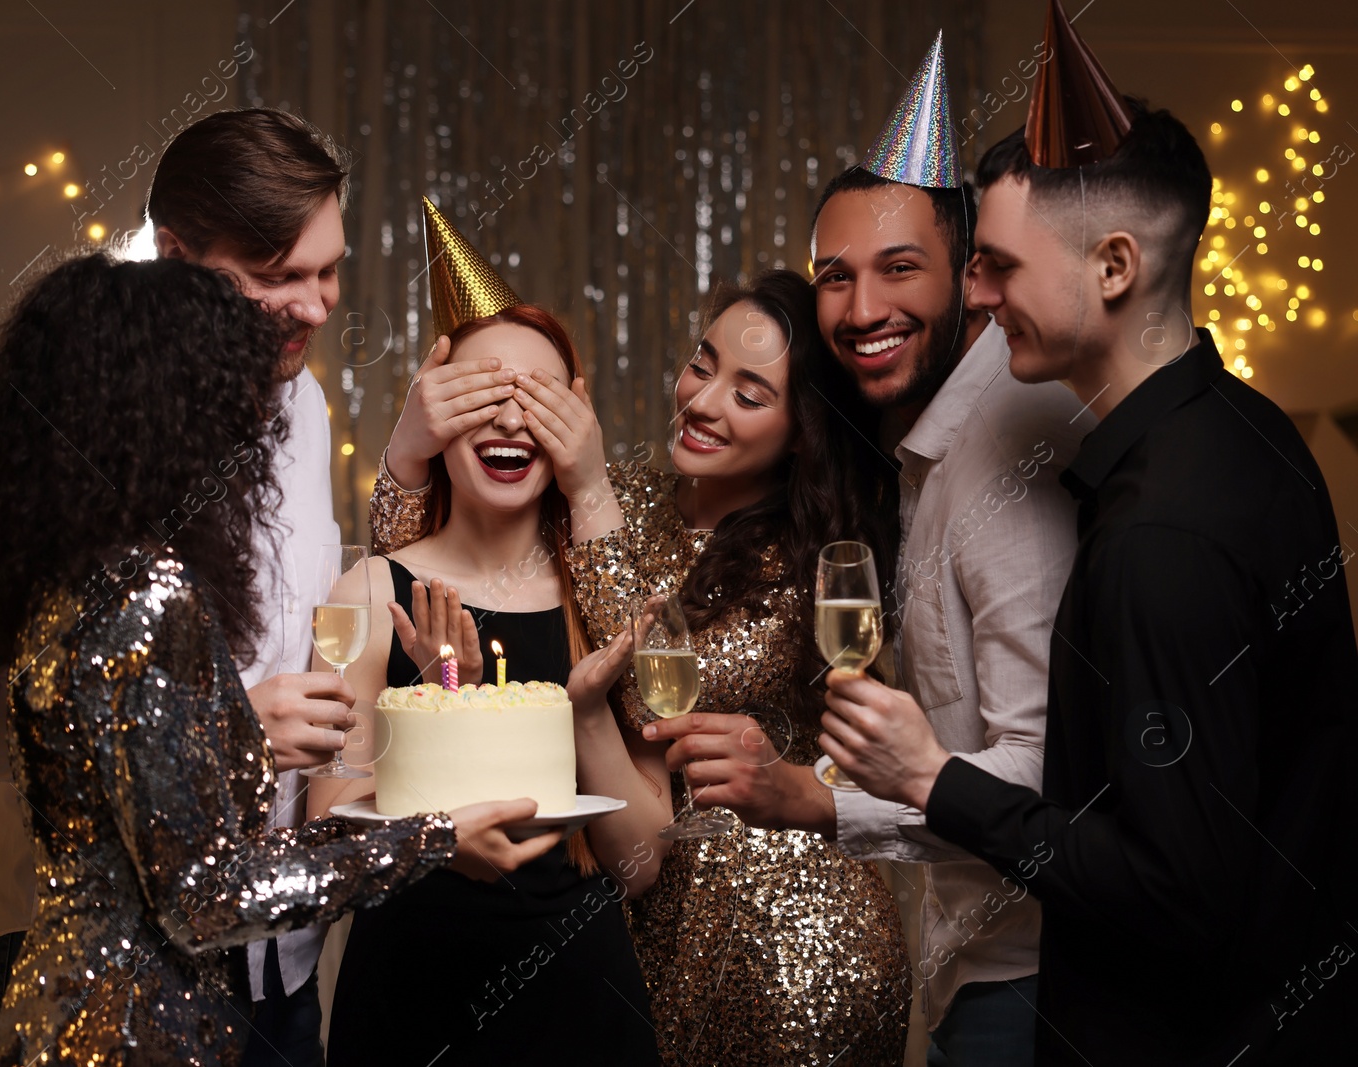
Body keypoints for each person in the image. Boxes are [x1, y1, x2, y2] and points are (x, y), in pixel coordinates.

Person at [818, 8, 1356, 1062]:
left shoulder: (1159, 536)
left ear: (1113, 266)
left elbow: (1170, 885)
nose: (974, 295)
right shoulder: (1243, 427)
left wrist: (932, 777)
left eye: (1000, 268)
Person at [0, 252, 555, 1066]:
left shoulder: (71, 582)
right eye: (228, 396)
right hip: (132, 1033)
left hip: (56, 1011)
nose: (256, 425)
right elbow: (209, 895)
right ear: (167, 414)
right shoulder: (146, 595)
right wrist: (435, 837)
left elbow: (153, 828)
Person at [643, 34, 1084, 1066]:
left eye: (898, 269)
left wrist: (814, 795)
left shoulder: (1003, 450)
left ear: (971, 274)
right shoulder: (919, 461)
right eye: (833, 277)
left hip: (1033, 974)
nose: (860, 308)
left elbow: (1044, 766)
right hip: (975, 962)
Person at [0, 108, 358, 1062]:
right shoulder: (80, 419)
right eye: (277, 277)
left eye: (331, 268)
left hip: (272, 952)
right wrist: (202, 737)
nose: (317, 306)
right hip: (97, 956)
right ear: (176, 253)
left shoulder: (305, 409)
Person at [374, 235, 912, 1063]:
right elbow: (430, 571)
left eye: (751, 392)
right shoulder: (621, 498)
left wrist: (586, 486)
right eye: (703, 364)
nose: (703, 401)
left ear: (801, 430)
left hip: (792, 947)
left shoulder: (793, 566)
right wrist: (408, 451)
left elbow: (651, 692)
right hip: (648, 932)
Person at [308, 200, 658, 1066]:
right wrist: (435, 720)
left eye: (535, 399)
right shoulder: (370, 590)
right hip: (410, 1005)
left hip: (583, 1011)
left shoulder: (606, 599)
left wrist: (581, 714)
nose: (508, 420)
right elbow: (323, 828)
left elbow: (644, 861)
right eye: (482, 395)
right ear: (437, 414)